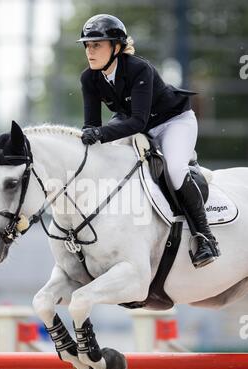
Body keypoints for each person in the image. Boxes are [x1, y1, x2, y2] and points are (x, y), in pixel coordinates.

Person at [77, 14, 220, 268]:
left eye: (97, 44)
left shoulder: (138, 69)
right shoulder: (89, 78)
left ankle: (206, 238)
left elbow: (138, 122)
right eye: (87, 45)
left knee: (175, 171)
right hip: (131, 122)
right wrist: (90, 135)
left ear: (117, 47)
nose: (90, 51)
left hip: (173, 122)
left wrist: (100, 134)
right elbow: (92, 123)